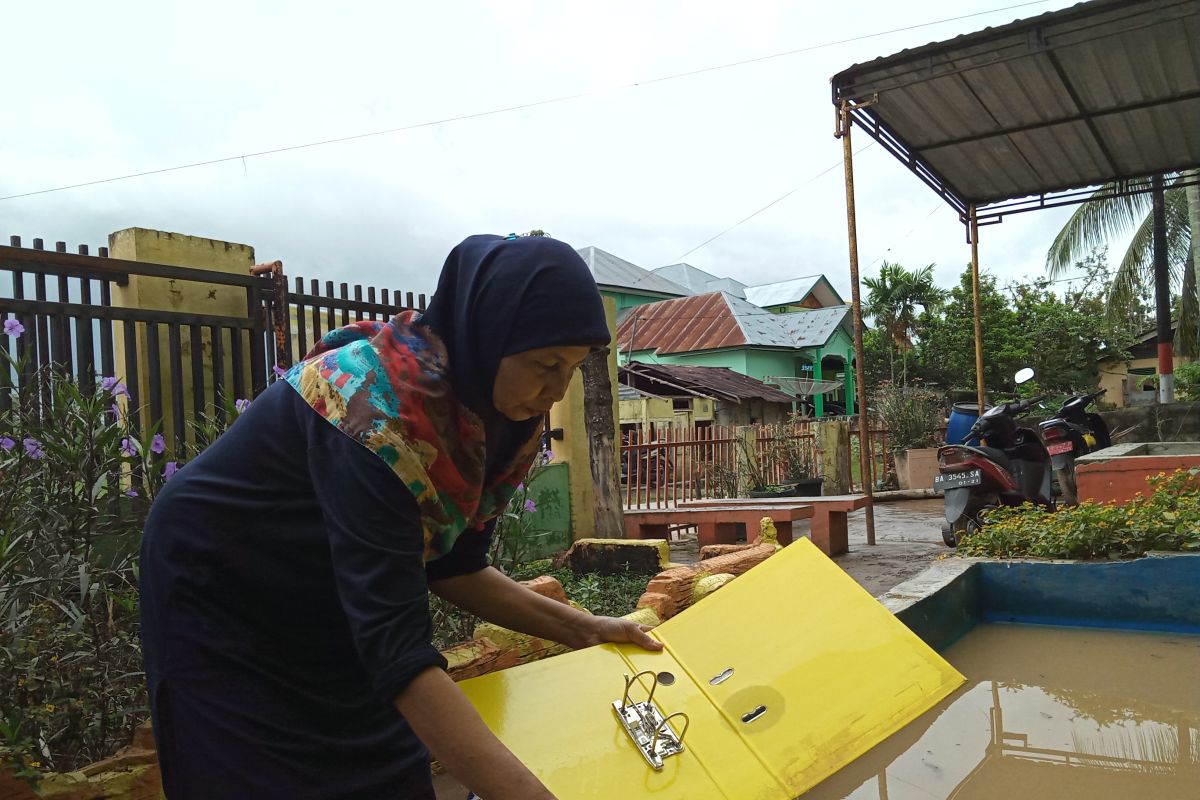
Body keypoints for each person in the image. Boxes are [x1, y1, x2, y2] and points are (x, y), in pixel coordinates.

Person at [140, 234, 663, 799]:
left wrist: (586, 628)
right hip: (218, 582)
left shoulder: (494, 418)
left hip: (328, 572)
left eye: (574, 368)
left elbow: (453, 564)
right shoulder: (372, 415)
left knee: (381, 756)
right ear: (487, 337)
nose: (556, 389)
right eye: (544, 365)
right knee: (259, 769)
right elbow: (398, 654)